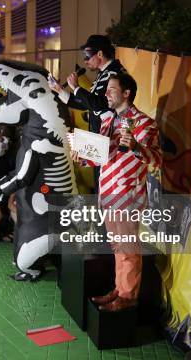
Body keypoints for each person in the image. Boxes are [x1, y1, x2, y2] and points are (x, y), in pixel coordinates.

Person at [70, 73, 161, 311]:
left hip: (127, 194)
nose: (106, 94)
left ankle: (128, 297)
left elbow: (157, 160)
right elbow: (103, 156)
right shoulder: (109, 120)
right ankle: (120, 290)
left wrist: (137, 147)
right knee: (118, 248)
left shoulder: (145, 123)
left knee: (128, 249)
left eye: (111, 89)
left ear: (126, 93)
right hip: (107, 193)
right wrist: (83, 156)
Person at [52, 35, 126, 189]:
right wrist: (60, 90)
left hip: (111, 141)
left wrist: (77, 88)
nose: (85, 61)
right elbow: (87, 104)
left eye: (87, 55)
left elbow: (100, 105)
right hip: (100, 141)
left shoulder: (114, 74)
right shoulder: (104, 74)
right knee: (99, 185)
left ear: (100, 54)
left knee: (108, 188)